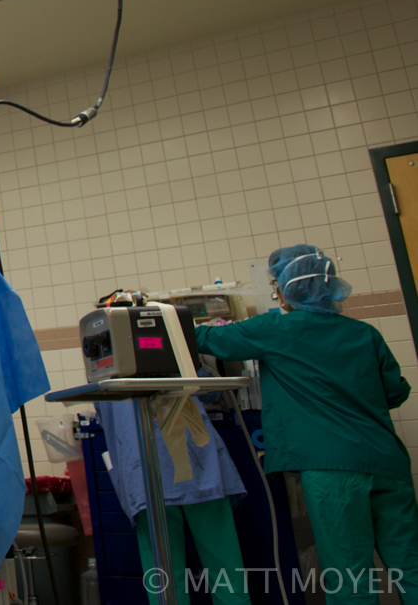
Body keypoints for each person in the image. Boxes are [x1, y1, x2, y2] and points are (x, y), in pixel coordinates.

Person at [196, 246, 418, 605]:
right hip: (388, 465)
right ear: (330, 288)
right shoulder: (365, 335)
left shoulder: (277, 329)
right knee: (411, 565)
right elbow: (396, 392)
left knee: (351, 575)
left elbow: (209, 341)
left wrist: (166, 318)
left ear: (285, 290)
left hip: (333, 472)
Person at [94, 394, 249, 605]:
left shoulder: (104, 368)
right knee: (226, 576)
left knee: (164, 585)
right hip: (198, 469)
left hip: (144, 477)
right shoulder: (177, 361)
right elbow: (210, 392)